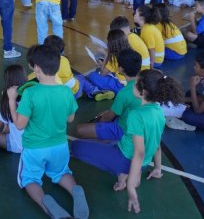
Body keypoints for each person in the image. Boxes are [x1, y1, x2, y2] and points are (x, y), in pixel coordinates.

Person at [72, 69, 179, 213]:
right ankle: (129, 175)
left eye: (136, 83)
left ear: (143, 92)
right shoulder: (158, 112)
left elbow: (139, 153)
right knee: (112, 145)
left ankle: (126, 175)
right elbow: (156, 144)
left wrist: (130, 187)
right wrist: (157, 168)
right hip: (143, 164)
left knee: (77, 147)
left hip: (125, 159)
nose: (133, 84)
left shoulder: (136, 115)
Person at [6, 44, 89, 219]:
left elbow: (19, 125)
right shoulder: (66, 92)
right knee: (62, 173)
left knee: (30, 180)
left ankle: (45, 203)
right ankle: (75, 191)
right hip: (59, 146)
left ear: (36, 68)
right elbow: (70, 119)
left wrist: (12, 100)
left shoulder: (31, 94)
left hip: (35, 148)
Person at [75, 49, 143, 141]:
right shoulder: (144, 83)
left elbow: (107, 118)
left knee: (79, 130)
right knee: (106, 113)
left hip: (123, 130)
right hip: (136, 125)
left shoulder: (124, 93)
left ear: (121, 69)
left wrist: (98, 124)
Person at [0, 64, 28, 154]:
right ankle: (7, 125)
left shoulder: (8, 101)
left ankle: (7, 125)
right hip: (34, 146)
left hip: (17, 146)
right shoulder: (31, 95)